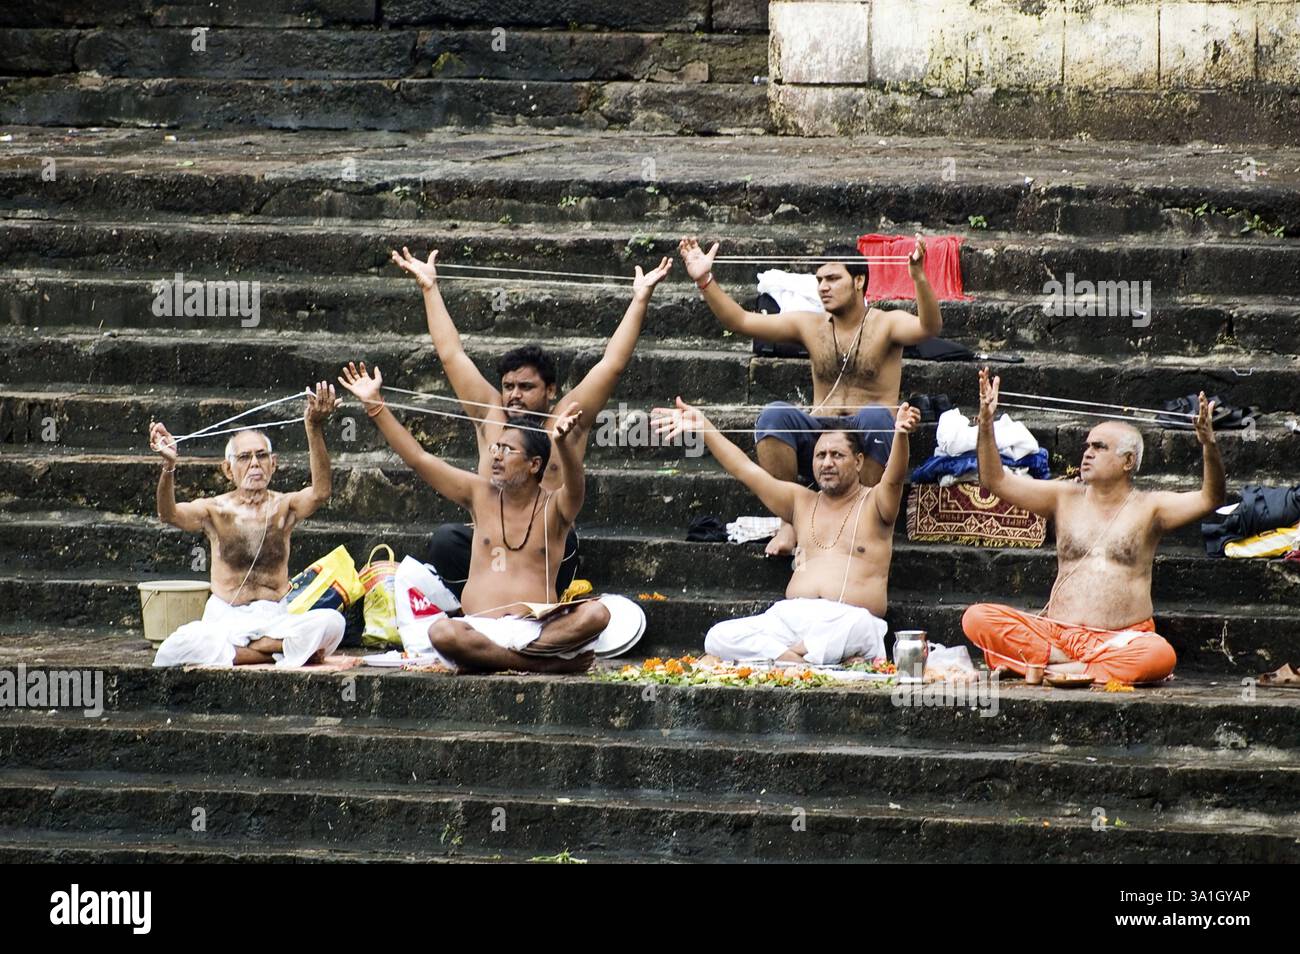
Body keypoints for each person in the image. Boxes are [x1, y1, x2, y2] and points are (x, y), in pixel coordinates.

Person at [389, 246, 672, 598]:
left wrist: (639, 299)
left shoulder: (567, 418)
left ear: (550, 390)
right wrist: (429, 289)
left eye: (526, 387)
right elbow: (452, 355)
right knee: (448, 540)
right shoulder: (490, 415)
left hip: (546, 547)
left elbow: (611, 364)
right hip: (493, 547)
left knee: (563, 541)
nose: (514, 395)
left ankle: (540, 606)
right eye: (508, 386)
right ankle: (478, 607)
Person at [338, 362, 611, 673]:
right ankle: (542, 665)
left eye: (507, 450)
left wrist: (562, 445)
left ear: (535, 465)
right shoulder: (479, 494)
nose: (495, 455)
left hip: (535, 631)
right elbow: (418, 458)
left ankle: (508, 659)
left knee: (597, 614)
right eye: (495, 447)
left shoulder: (556, 507)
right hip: (477, 629)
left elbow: (576, 486)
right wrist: (375, 406)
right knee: (442, 632)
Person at [677, 235, 941, 556]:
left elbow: (929, 328)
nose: (823, 287)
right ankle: (789, 521)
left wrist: (920, 278)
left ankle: (860, 517)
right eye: (819, 280)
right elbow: (741, 321)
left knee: (875, 415)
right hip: (822, 437)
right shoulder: (809, 324)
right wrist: (705, 279)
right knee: (774, 415)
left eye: (832, 278)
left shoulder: (887, 323)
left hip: (869, 436)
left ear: (859, 281)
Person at [961, 368, 1225, 685]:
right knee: (976, 618)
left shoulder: (1151, 507)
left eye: (1099, 447)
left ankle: (1048, 667)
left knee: (1159, 655)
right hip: (1056, 635)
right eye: (1087, 446)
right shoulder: (1063, 497)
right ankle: (1067, 664)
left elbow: (1211, 497)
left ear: (1128, 461)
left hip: (1120, 640)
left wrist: (1209, 446)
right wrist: (987, 423)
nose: (1087, 453)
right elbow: (995, 480)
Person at [654, 396, 921, 665]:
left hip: (846, 619)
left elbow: (895, 477)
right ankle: (802, 660)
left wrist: (900, 435)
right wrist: (705, 429)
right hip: (790, 618)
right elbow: (745, 470)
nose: (826, 463)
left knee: (862, 626)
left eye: (837, 455)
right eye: (820, 455)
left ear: (859, 461)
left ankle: (782, 658)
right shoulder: (800, 501)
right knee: (718, 636)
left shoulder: (876, 503)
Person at [149, 383, 346, 668]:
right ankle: (273, 653)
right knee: (176, 647)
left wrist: (313, 427)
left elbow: (321, 492)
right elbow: (169, 514)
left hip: (275, 618)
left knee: (332, 622)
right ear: (228, 469)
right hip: (225, 619)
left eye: (261, 456)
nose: (254, 464)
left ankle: (245, 653)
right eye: (244, 457)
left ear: (273, 464)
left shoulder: (284, 507)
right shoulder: (214, 509)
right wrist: (168, 468)